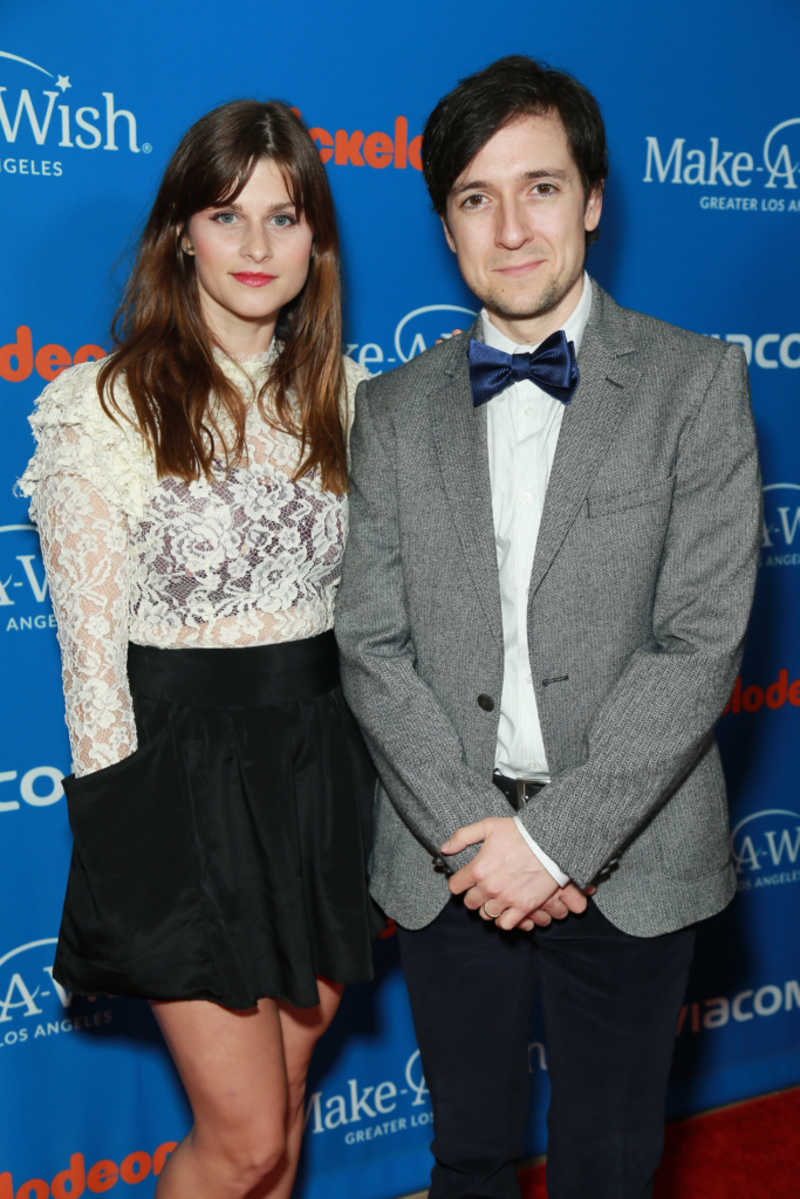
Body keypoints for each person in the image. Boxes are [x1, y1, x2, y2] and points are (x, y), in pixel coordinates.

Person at [335, 55, 762, 1199]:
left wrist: (555, 841)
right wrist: (483, 839)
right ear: (444, 225)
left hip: (631, 853)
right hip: (449, 858)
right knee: (466, 1156)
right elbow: (371, 644)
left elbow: (698, 640)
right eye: (476, 197)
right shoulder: (386, 407)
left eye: (539, 186)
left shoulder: (695, 384)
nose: (510, 226)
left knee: (607, 1163)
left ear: (591, 200)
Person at [19, 99, 379, 1199]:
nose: (259, 247)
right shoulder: (106, 405)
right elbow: (88, 663)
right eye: (228, 216)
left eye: (285, 216)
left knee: (288, 1086)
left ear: (316, 236)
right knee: (245, 1138)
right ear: (181, 232)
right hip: (179, 784)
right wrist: (128, 838)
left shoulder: (348, 395)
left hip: (323, 768)